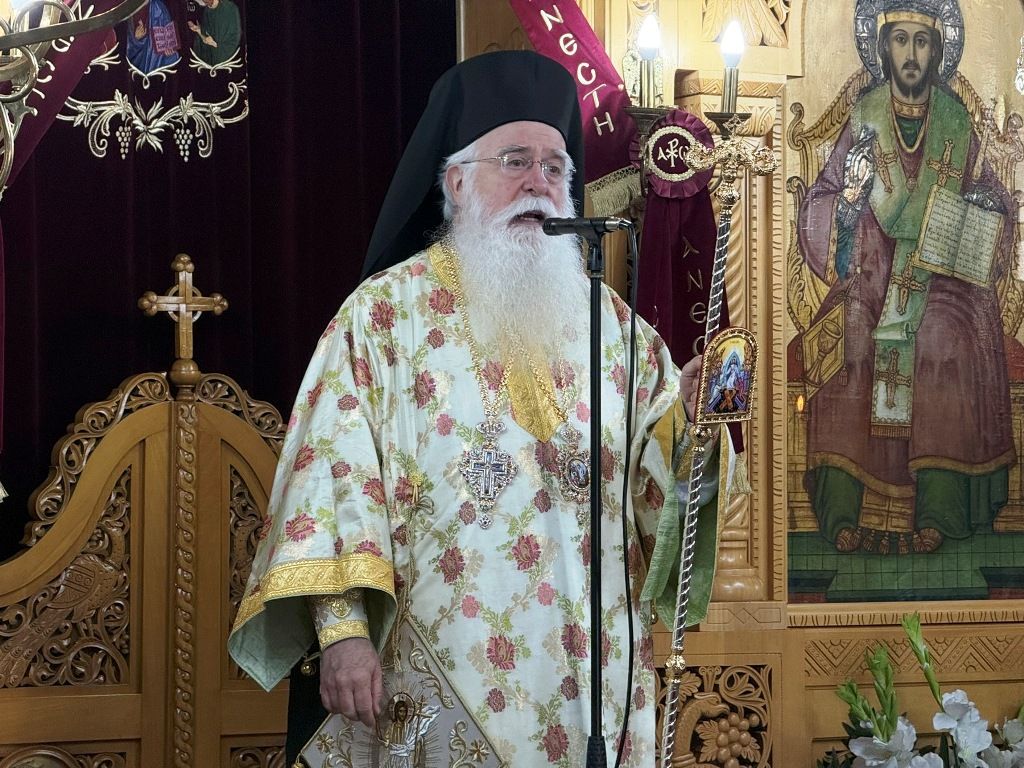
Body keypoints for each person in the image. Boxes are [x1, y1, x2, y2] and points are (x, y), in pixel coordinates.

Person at [229, 50, 724, 766]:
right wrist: (343, 633)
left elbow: (661, 496)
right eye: (515, 162)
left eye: (554, 167)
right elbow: (331, 479)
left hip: (595, 676)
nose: (538, 182)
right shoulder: (383, 318)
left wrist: (692, 425)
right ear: (456, 182)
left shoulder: (616, 331)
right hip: (439, 672)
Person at [798, 0, 1015, 555]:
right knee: (852, 340)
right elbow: (822, 199)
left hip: (944, 282)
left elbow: (994, 199)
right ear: (883, 48)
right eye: (901, 40)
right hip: (870, 278)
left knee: (942, 340)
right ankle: (842, 510)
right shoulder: (863, 118)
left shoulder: (957, 123)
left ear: (937, 52)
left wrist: (985, 204)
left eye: (922, 42)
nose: (911, 54)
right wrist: (849, 201)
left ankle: (940, 509)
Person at [125, 0, 180, 74]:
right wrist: (137, 39)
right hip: (137, 64)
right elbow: (127, 48)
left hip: (158, 63)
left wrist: (170, 50)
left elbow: (169, 37)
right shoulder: (129, 9)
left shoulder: (159, 7)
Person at [187, 0, 241, 66]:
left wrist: (214, 44)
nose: (204, 2)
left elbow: (234, 39)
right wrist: (198, 30)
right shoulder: (206, 10)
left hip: (225, 60)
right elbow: (206, 37)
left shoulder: (230, 8)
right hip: (210, 62)